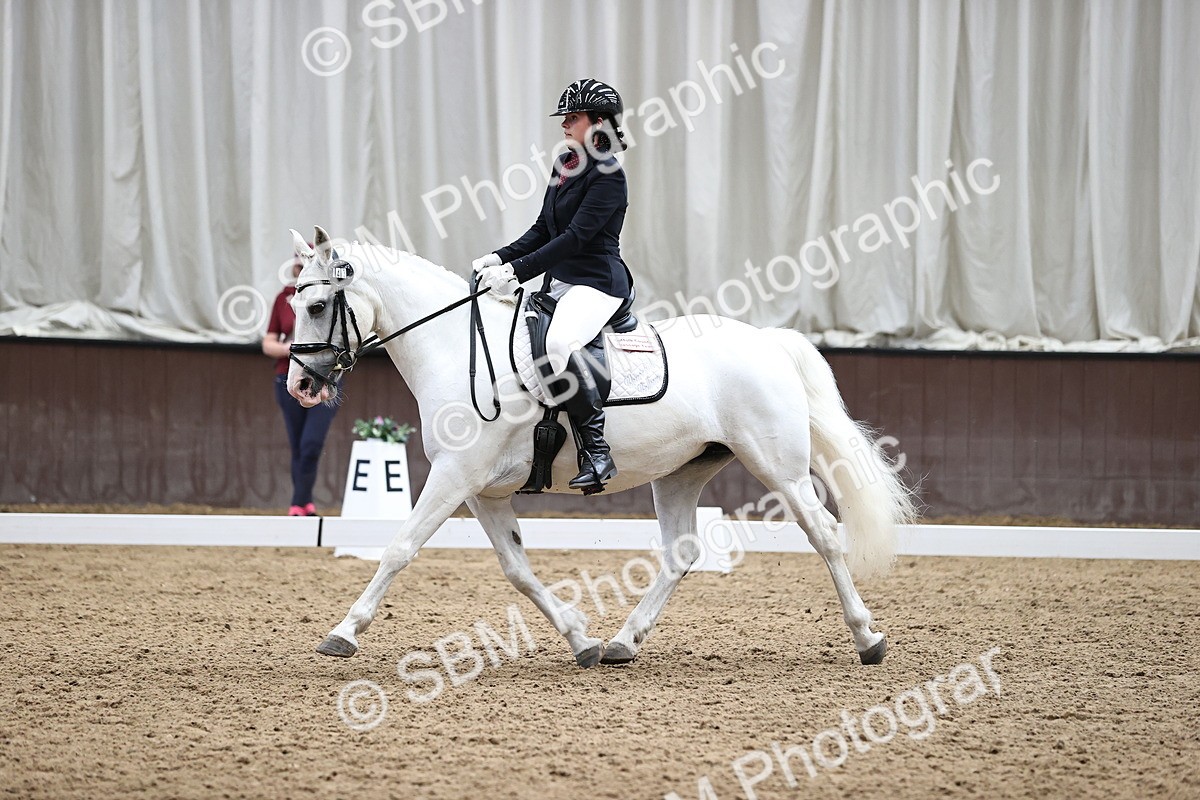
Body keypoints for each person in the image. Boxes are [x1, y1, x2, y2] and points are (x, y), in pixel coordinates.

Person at [473, 78, 633, 493]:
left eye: (572, 117)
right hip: (561, 280)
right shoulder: (566, 164)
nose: (564, 123)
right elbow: (544, 229)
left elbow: (575, 238)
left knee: (560, 343)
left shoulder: (609, 175)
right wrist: (499, 258)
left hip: (597, 283)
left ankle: (597, 452)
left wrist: (516, 272)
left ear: (598, 122)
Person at [262, 257, 339, 515]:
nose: (301, 270)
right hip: (289, 376)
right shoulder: (284, 298)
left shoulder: (331, 297)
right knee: (297, 444)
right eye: (298, 266)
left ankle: (299, 500)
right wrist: (292, 349)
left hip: (322, 378)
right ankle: (302, 504)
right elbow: (268, 342)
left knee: (311, 443)